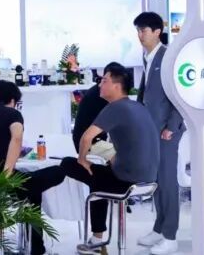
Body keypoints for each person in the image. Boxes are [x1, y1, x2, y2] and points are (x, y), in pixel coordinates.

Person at [61, 64, 158, 253]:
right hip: (150, 180)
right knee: (99, 176)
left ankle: (97, 241)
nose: (100, 85)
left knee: (70, 165)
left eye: (104, 81)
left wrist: (82, 160)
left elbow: (86, 138)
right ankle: (97, 239)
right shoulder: (137, 106)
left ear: (116, 86)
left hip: (126, 182)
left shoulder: (115, 108)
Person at [0, 80, 64, 255]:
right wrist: (7, 175)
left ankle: (36, 247)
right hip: (0, 185)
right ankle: (36, 247)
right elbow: (17, 137)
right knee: (57, 172)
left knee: (33, 191)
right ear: (12, 100)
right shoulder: (12, 114)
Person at [134, 12, 182, 255]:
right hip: (151, 130)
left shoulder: (168, 56)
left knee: (168, 182)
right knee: (157, 181)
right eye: (138, 31)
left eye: (143, 30)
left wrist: (171, 127)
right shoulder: (148, 57)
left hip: (166, 131)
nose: (140, 35)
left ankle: (171, 236)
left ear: (157, 32)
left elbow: (179, 94)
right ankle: (159, 228)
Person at [71, 63, 119, 150]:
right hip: (89, 143)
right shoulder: (102, 94)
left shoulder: (100, 90)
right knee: (121, 153)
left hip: (91, 140)